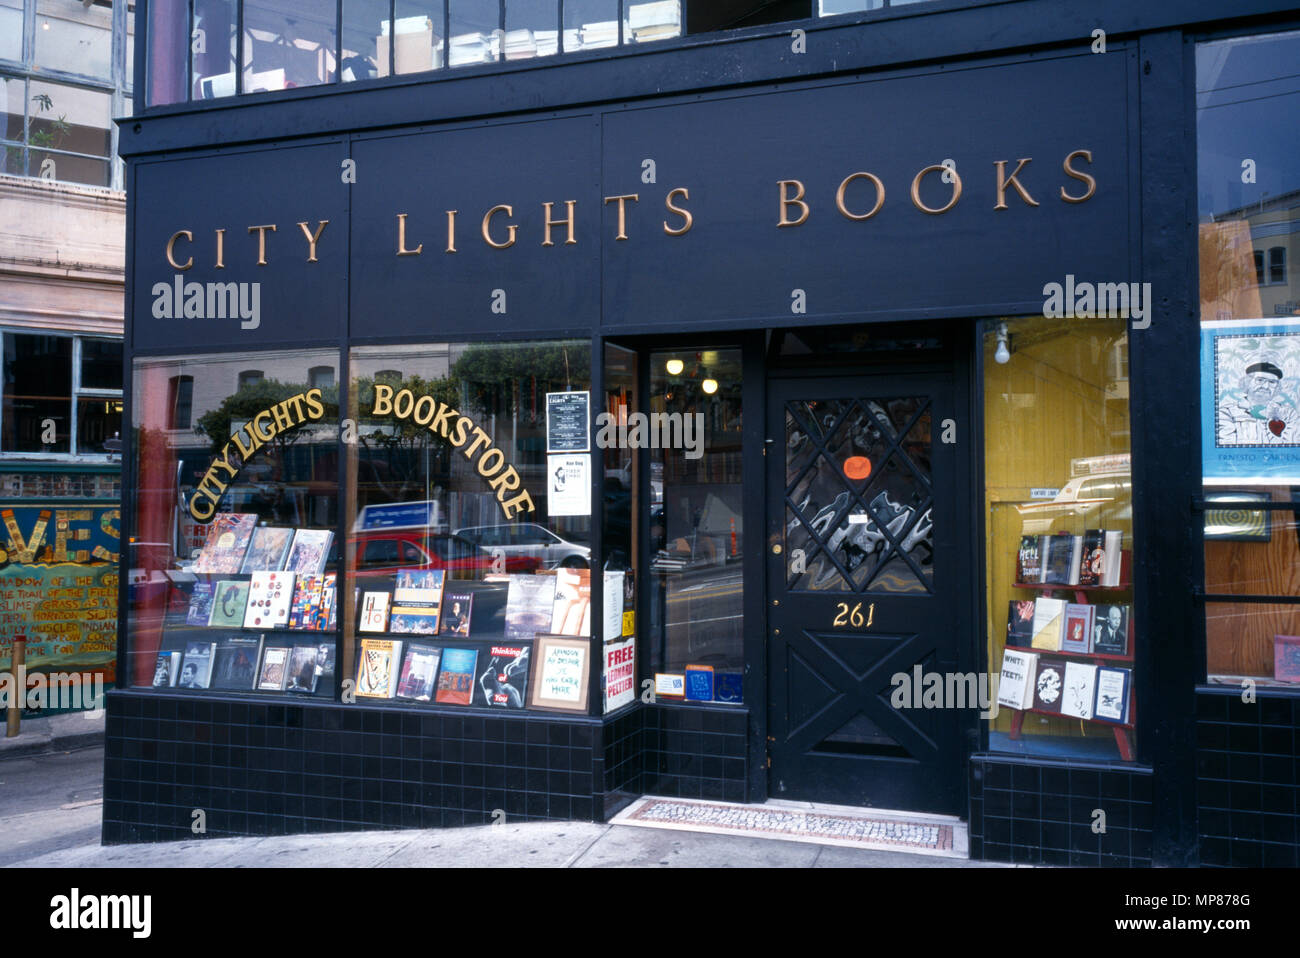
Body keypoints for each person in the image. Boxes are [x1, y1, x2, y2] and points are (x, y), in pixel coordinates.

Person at [1217, 360, 1300, 444]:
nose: (1266, 386)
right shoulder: (1227, 413)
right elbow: (1226, 446)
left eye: (1272, 382)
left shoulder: (1289, 414)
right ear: (1247, 382)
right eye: (1260, 380)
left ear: (1277, 387)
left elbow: (1293, 445)